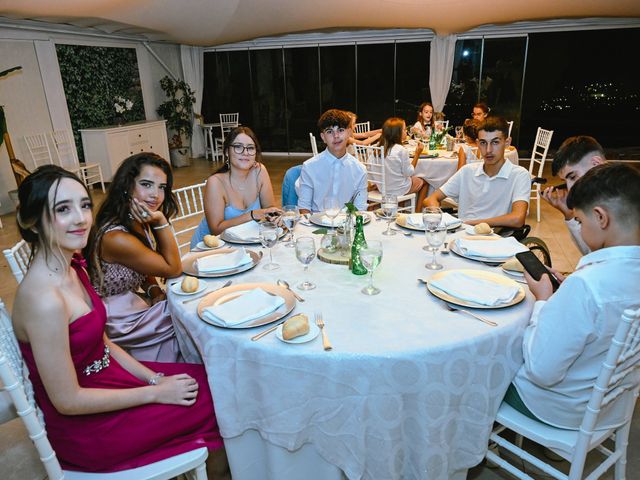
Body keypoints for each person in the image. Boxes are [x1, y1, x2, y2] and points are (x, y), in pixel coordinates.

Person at [12, 165, 225, 474]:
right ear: (33, 222)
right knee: (215, 400)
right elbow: (67, 400)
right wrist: (155, 392)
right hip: (89, 427)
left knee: (216, 380)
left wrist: (154, 377)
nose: (82, 218)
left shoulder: (72, 265)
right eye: (63, 209)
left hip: (110, 380)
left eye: (85, 205)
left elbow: (103, 343)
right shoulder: (42, 299)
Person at [506, 163, 640, 429]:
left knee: (485, 369)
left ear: (601, 217)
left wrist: (544, 299)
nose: (578, 227)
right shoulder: (594, 281)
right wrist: (567, 288)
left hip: (559, 408)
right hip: (612, 404)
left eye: (579, 220)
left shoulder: (587, 285)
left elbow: (541, 371)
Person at [86, 153, 182, 362]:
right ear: (127, 186)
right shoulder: (117, 238)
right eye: (146, 184)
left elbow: (142, 264)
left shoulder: (134, 218)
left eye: (161, 187)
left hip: (130, 301)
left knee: (186, 308)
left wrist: (154, 289)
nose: (155, 195)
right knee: (187, 318)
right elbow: (174, 268)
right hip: (115, 318)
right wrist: (161, 221)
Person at [424, 116, 530, 228]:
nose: (488, 150)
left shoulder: (519, 175)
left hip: (496, 239)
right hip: (462, 237)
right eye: (483, 143)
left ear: (507, 142)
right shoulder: (467, 171)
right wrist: (437, 215)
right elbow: (431, 199)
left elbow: (518, 219)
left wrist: (470, 224)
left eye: (495, 142)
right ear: (478, 143)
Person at [190, 126, 280, 245]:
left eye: (250, 148)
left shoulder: (259, 171)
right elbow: (215, 229)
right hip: (211, 248)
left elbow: (269, 207)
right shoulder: (216, 183)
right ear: (227, 152)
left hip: (243, 242)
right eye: (238, 147)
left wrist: (273, 216)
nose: (245, 153)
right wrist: (251, 215)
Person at [541, 135, 606, 255]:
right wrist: (569, 215)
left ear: (596, 163)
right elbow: (592, 254)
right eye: (565, 181)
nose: (570, 188)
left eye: (573, 177)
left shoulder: (624, 199)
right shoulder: (592, 200)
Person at [297, 109, 368, 214]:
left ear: (349, 133)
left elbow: (360, 209)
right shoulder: (309, 167)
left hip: (346, 226)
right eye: (330, 132)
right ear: (323, 137)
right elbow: (304, 208)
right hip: (316, 224)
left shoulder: (360, 170)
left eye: (340, 130)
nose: (336, 136)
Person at [377, 117, 429, 208]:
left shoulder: (376, 148)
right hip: (399, 189)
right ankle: (417, 213)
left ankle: (401, 210)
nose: (406, 132)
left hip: (382, 188)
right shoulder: (401, 150)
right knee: (425, 182)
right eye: (404, 130)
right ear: (398, 133)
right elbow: (409, 173)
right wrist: (417, 153)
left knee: (401, 179)